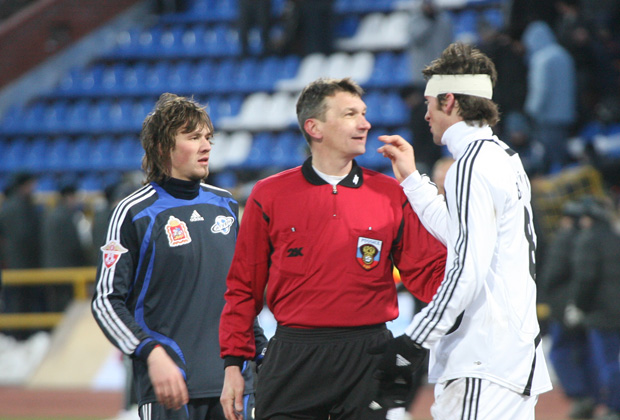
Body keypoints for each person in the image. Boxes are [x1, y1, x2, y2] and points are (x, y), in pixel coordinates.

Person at [219, 77, 447, 420]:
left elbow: (431, 275)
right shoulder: (268, 195)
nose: (365, 123)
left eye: (364, 113)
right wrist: (233, 364)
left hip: (368, 357)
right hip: (294, 356)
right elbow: (242, 288)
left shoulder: (391, 193)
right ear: (315, 127)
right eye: (350, 114)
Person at [375, 42, 553, 419]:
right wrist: (413, 181)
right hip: (508, 358)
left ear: (450, 101)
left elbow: (465, 272)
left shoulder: (470, 166)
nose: (425, 115)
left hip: (482, 359)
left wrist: (413, 341)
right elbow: (463, 237)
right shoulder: (502, 156)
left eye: (429, 103)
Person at [91, 93, 266, 420]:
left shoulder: (226, 206)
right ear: (162, 148)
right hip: (171, 390)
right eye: (194, 137)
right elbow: (105, 301)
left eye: (208, 137)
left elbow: (240, 294)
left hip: (235, 385)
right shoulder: (134, 212)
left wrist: (262, 350)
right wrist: (150, 353)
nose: (206, 146)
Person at [537, 200, 598, 419]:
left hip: (562, 306)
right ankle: (593, 396)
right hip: (586, 305)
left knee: (560, 351)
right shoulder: (591, 237)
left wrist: (543, 293)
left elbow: (552, 273)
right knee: (586, 351)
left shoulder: (564, 238)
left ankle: (579, 397)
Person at [565, 196, 620, 420]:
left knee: (607, 363)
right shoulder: (614, 236)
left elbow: (585, 279)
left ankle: (613, 407)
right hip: (614, 309)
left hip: (601, 312)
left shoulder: (588, 240)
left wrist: (578, 306)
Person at [522, 20, 577, 173]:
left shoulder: (541, 59)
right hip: (566, 113)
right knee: (561, 153)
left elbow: (541, 89)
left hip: (547, 116)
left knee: (550, 156)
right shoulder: (563, 54)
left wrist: (531, 110)